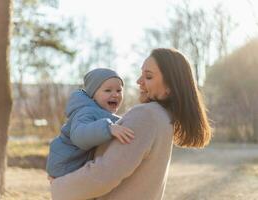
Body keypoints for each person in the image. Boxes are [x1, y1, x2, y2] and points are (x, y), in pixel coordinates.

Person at [50, 48, 212, 200]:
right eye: (141, 75)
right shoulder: (164, 118)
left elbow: (103, 174)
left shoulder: (146, 115)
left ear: (169, 86)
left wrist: (57, 186)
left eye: (148, 77)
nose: (139, 81)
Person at [46, 68, 135, 178]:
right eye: (108, 90)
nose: (115, 94)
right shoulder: (85, 111)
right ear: (92, 95)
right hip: (66, 165)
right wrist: (108, 128)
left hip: (75, 166)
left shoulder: (101, 112)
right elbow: (80, 135)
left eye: (119, 90)